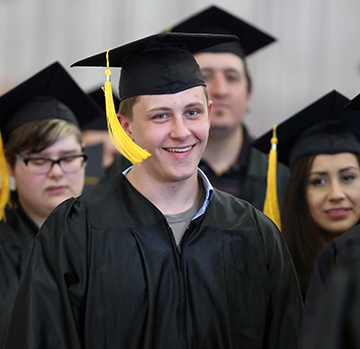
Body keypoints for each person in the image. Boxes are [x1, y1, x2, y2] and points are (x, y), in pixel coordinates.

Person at [4, 33, 303, 349]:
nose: (181, 132)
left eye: (192, 112)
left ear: (209, 112)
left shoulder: (254, 231)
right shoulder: (76, 231)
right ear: (126, 126)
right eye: (161, 115)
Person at [0, 61, 102, 345]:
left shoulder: (112, 239)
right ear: (10, 164)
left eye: (69, 157)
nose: (57, 171)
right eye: (40, 159)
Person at [164, 5, 290, 210]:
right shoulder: (143, 168)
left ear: (249, 93)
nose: (221, 90)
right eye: (205, 77)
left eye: (232, 77)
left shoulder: (283, 174)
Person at [253, 90, 360, 299]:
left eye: (347, 178)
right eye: (318, 181)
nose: (336, 194)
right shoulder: (273, 273)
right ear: (299, 192)